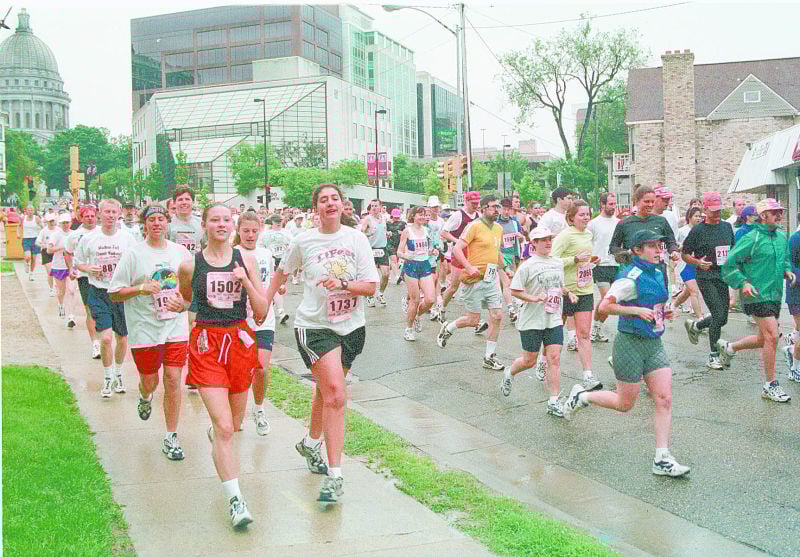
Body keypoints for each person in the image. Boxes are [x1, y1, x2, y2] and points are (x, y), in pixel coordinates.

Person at [264, 184, 378, 504]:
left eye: (335, 199)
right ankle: (335, 475)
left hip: (352, 327)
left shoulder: (357, 239)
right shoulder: (304, 240)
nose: (330, 203)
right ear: (316, 208)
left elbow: (370, 286)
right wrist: (264, 303)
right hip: (315, 327)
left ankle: (311, 442)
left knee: (326, 391)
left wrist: (343, 284)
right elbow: (281, 273)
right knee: (337, 395)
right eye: (323, 200)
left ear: (343, 205)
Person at [563, 229, 690, 477]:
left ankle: (662, 457)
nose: (658, 250)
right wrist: (636, 312)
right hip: (629, 343)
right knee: (625, 404)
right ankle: (583, 397)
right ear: (637, 250)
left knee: (664, 398)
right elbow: (606, 305)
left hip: (653, 344)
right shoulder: (629, 277)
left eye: (659, 245)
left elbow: (653, 302)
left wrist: (665, 311)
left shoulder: (656, 271)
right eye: (651, 246)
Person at [177, 203, 266, 527]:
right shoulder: (190, 265)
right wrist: (177, 302)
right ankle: (236, 500)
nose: (221, 224)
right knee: (225, 427)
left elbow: (260, 310)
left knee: (234, 425)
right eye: (214, 220)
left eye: (226, 220)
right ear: (204, 225)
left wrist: (246, 282)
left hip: (240, 341)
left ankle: (219, 437)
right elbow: (186, 299)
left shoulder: (247, 259)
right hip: (206, 343)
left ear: (233, 225)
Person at [108, 204, 191, 460]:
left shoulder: (181, 253)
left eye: (161, 219)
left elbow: (190, 293)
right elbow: (114, 293)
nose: (157, 223)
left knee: (174, 381)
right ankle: (145, 396)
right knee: (151, 381)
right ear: (144, 224)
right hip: (145, 329)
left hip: (175, 327)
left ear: (168, 223)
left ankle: (171, 436)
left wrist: (184, 305)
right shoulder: (134, 254)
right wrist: (140, 289)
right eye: (151, 220)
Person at [718, 198, 794, 402]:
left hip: (775, 294)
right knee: (772, 336)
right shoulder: (751, 238)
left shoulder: (781, 237)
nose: (779, 215)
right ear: (763, 216)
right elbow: (729, 265)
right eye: (774, 212)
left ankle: (730, 347)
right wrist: (743, 283)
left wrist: (787, 270)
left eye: (780, 211)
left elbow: (785, 258)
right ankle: (770, 384)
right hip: (756, 294)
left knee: (764, 339)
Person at [501, 227, 577, 417]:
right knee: (529, 361)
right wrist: (534, 298)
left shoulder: (557, 263)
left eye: (549, 239)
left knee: (554, 358)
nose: (548, 242)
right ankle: (509, 373)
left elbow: (558, 285)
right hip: (531, 319)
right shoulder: (527, 266)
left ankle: (553, 401)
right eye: (542, 240)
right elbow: (514, 290)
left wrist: (569, 293)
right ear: (533, 243)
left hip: (553, 318)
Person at [74, 199, 136, 397]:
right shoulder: (89, 238)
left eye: (113, 212)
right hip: (98, 292)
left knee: (122, 337)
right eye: (106, 212)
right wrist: (88, 268)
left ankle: (118, 374)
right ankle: (108, 378)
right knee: (107, 338)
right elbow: (78, 263)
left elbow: (136, 263)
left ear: (119, 214)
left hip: (120, 293)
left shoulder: (128, 238)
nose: (110, 215)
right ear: (99, 214)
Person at [437, 195, 506, 371]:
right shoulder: (474, 226)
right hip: (473, 279)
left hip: (490, 279)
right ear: (483, 209)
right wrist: (468, 267)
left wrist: (504, 267)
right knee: (472, 319)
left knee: (497, 316)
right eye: (492, 207)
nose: (496, 210)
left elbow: (496, 250)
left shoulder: (498, 228)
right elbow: (458, 248)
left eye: (498, 207)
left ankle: (489, 356)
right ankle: (449, 327)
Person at [235, 211, 283, 435]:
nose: (250, 235)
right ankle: (237, 411)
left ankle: (259, 409)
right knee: (241, 370)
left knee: (261, 368)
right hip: (240, 319)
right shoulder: (233, 254)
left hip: (264, 318)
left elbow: (269, 283)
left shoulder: (266, 254)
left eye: (254, 231)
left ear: (260, 230)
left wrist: (274, 296)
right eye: (246, 231)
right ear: (238, 231)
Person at [552, 200, 603, 390]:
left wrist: (590, 262)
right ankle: (543, 360)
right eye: (582, 215)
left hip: (585, 289)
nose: (586, 218)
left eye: (588, 214)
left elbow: (583, 260)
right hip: (565, 290)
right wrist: (573, 259)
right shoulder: (565, 236)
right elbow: (552, 260)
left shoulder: (588, 234)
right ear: (571, 217)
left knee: (584, 333)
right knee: (555, 331)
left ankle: (588, 375)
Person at [681, 194, 735, 370]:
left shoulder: (727, 227)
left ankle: (697, 325)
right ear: (705, 210)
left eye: (719, 209)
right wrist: (698, 262)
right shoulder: (698, 230)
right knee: (718, 314)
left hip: (722, 275)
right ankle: (713, 355)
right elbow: (684, 254)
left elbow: (732, 250)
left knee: (723, 317)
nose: (717, 213)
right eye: (713, 211)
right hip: (705, 276)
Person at [439, 191, 481, 323]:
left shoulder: (479, 216)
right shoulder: (458, 215)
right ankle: (442, 308)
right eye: (473, 203)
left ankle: (476, 319)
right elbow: (444, 232)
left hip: (473, 255)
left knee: (477, 287)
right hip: (459, 254)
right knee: (453, 287)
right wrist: (458, 242)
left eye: (477, 203)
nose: (475, 206)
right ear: (466, 201)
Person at [397, 206, 437, 341]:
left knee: (430, 299)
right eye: (419, 214)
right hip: (411, 267)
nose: (422, 217)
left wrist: (433, 252)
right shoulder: (407, 231)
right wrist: (406, 256)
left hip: (425, 265)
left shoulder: (427, 230)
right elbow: (399, 252)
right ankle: (408, 329)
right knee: (414, 300)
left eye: (424, 214)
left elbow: (429, 248)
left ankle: (417, 316)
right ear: (413, 216)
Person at [66, 205, 101, 354]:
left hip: (102, 276)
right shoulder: (74, 235)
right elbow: (67, 253)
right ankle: (95, 344)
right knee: (90, 310)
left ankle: (104, 337)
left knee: (104, 310)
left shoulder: (102, 232)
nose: (90, 218)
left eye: (92, 215)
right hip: (84, 276)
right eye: (86, 216)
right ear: (81, 218)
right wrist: (70, 269)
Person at [588, 192, 619, 343]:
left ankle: (597, 327)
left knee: (612, 300)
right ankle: (594, 330)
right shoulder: (593, 224)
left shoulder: (619, 223)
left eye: (615, 204)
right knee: (607, 298)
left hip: (616, 265)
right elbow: (587, 243)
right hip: (600, 265)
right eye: (610, 204)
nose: (613, 207)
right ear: (602, 204)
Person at [257, 214, 291, 324]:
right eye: (276, 221)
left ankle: (273, 306)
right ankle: (280, 312)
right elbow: (259, 247)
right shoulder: (265, 234)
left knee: (277, 287)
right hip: (270, 261)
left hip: (282, 262)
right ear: (271, 222)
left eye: (280, 220)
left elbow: (293, 246)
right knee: (275, 286)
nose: (278, 223)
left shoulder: (287, 233)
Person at [498, 198, 524, 323]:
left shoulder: (515, 222)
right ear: (500, 209)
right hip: (501, 256)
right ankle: (511, 309)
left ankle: (515, 304)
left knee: (513, 282)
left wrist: (520, 237)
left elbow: (522, 238)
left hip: (513, 255)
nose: (506, 212)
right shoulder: (496, 223)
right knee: (506, 283)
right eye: (504, 209)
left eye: (508, 209)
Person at [361, 199, 390, 307]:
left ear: (380, 207)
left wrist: (387, 233)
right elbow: (362, 232)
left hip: (382, 248)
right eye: (372, 206)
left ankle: (380, 294)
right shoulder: (368, 219)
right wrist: (369, 233)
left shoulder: (383, 218)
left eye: (376, 206)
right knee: (371, 275)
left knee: (386, 274)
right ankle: (369, 295)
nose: (373, 208)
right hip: (371, 249)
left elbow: (383, 230)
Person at [46, 213, 75, 321]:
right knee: (60, 292)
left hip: (71, 266)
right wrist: (63, 247)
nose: (65, 225)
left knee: (71, 290)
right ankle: (61, 305)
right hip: (59, 266)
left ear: (70, 223)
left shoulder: (74, 234)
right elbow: (49, 250)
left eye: (67, 222)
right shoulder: (56, 235)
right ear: (60, 224)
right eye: (63, 223)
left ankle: (71, 316)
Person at [168, 186, 204, 255]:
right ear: (175, 203)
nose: (184, 202)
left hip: (196, 263)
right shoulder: (168, 224)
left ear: (193, 202)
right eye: (180, 199)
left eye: (187, 199)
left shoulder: (201, 223)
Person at [36, 213, 59, 295]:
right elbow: (37, 242)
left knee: (57, 271)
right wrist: (45, 246)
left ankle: (57, 286)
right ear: (47, 222)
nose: (51, 222)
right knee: (50, 272)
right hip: (46, 253)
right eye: (50, 221)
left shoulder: (58, 230)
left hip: (56, 252)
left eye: (53, 220)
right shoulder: (43, 231)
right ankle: (51, 288)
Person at [18, 205, 42, 280]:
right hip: (26, 239)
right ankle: (26, 262)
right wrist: (17, 233)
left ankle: (31, 273)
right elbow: (18, 226)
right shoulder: (23, 218)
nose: (30, 212)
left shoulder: (36, 218)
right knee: (28, 256)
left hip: (35, 239)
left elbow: (42, 227)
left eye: (32, 210)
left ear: (34, 211)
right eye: (29, 210)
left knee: (34, 258)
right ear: (26, 211)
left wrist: (42, 235)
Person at [386, 208, 406, 285]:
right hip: (390, 243)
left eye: (398, 217)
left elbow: (407, 232)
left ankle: (389, 272)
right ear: (392, 216)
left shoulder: (403, 224)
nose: (397, 219)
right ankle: (397, 276)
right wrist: (387, 233)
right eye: (395, 217)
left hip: (399, 243)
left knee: (396, 262)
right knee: (394, 260)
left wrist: (402, 233)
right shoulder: (388, 223)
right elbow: (384, 231)